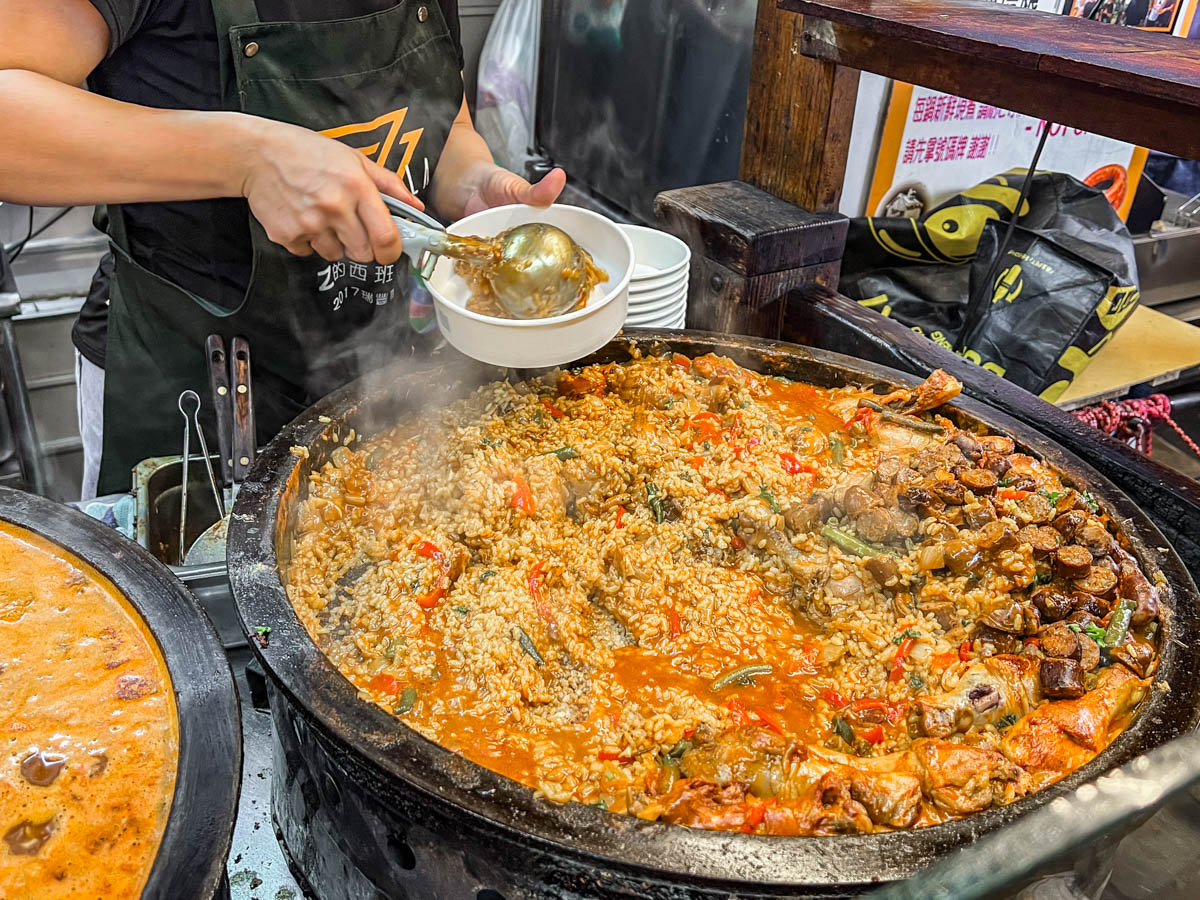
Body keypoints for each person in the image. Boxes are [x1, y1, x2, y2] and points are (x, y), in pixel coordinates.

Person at [0, 0, 565, 498]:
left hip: (385, 378)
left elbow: (444, 117)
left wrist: (470, 183)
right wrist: (247, 158)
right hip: (200, 394)